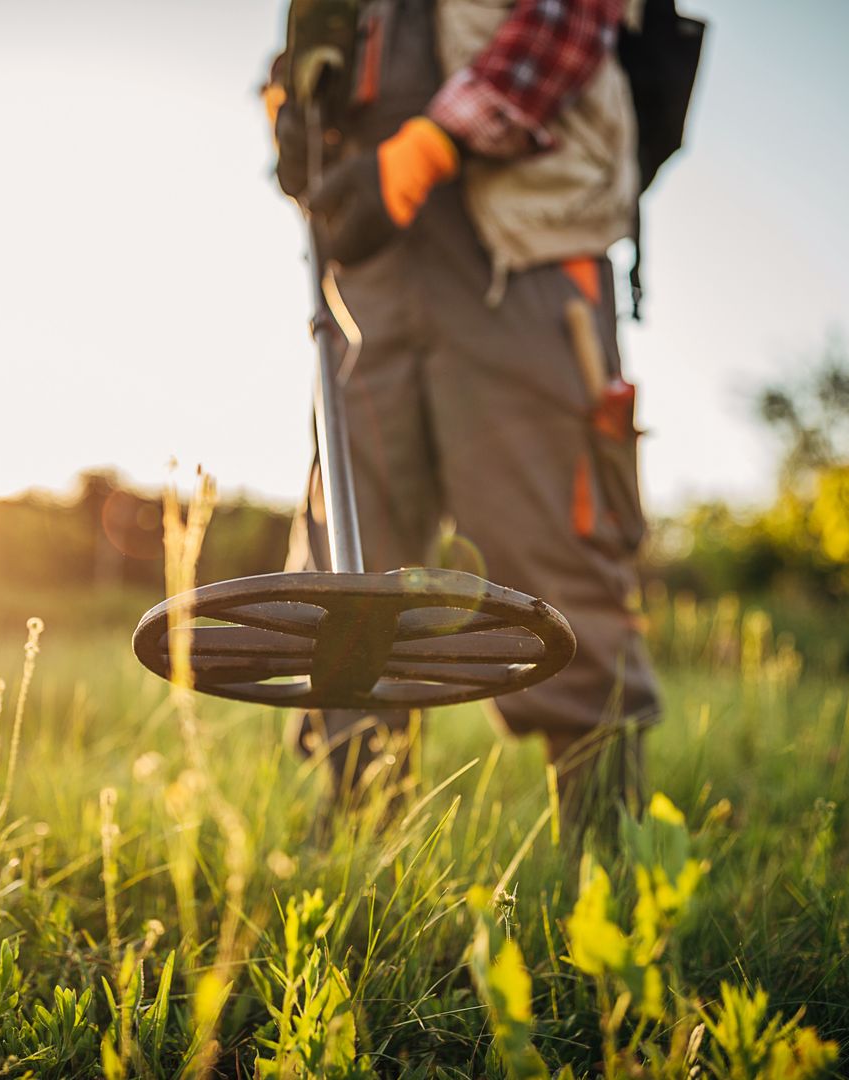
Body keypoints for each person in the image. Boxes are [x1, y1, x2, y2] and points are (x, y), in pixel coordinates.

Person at [268, 0, 661, 837]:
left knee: (556, 540)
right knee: (352, 555)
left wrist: (429, 146)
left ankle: (610, 862)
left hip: (522, 259)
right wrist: (290, 110)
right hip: (372, 276)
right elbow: (307, 53)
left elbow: (569, 20)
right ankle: (364, 844)